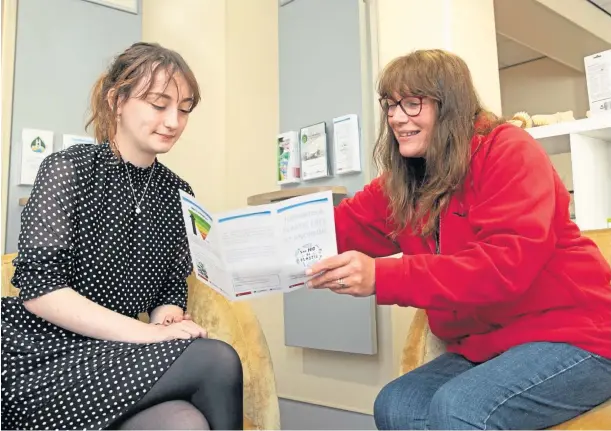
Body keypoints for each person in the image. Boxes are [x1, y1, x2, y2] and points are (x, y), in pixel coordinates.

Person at [306, 49, 611, 430]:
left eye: (412, 103)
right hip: (489, 345)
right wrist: (237, 244)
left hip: (579, 336)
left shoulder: (509, 151)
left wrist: (383, 276)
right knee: (395, 404)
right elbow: (335, 230)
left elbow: (502, 268)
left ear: (450, 106)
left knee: (460, 407)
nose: (397, 117)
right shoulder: (405, 182)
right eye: (390, 105)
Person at [1, 42, 243, 430]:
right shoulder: (67, 169)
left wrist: (166, 319)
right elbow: (40, 291)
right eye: (158, 104)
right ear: (117, 100)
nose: (173, 121)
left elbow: (169, 288)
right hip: (43, 359)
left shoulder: (177, 192)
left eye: (183, 110)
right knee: (216, 358)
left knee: (185, 423)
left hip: (119, 357)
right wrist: (147, 335)